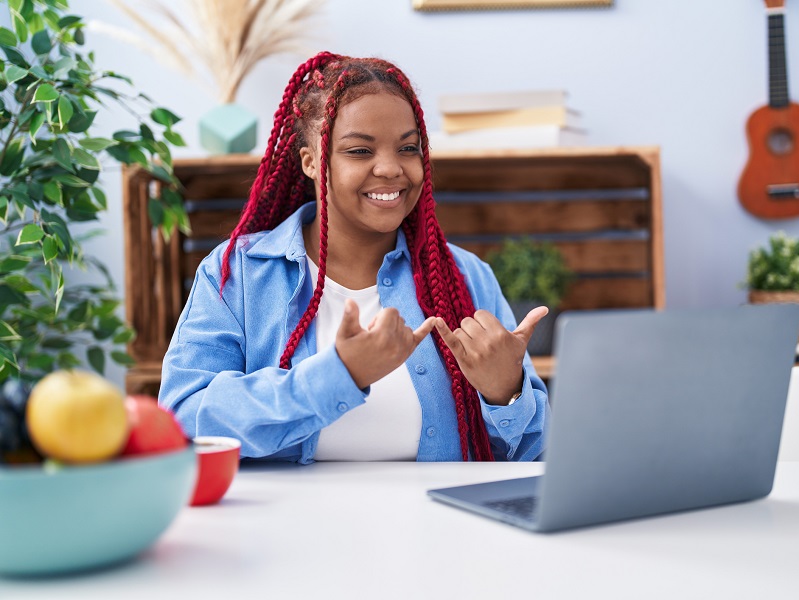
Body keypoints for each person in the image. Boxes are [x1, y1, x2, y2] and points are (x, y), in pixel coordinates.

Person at [159, 52, 549, 463]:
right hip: (280, 526)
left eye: (408, 148)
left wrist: (505, 393)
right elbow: (184, 420)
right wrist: (338, 376)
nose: (390, 168)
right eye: (360, 151)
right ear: (311, 162)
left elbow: (532, 458)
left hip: (438, 526)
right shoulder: (237, 274)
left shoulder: (464, 277)